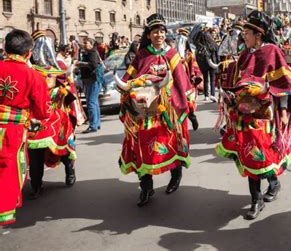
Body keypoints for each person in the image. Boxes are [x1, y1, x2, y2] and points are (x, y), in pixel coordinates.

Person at [216, 10, 291, 220]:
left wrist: (282, 111)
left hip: (265, 114)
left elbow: (284, 84)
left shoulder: (272, 51)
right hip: (243, 115)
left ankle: (263, 192)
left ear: (258, 35)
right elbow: (237, 81)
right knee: (250, 153)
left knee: (259, 154)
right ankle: (262, 193)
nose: (243, 36)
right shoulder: (245, 54)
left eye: (247, 32)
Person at [115, 13, 194, 207]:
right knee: (142, 146)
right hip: (144, 112)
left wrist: (186, 106)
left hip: (168, 112)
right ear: (148, 35)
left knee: (171, 143)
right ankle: (146, 187)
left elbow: (182, 82)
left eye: (161, 31)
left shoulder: (172, 55)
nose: (159, 35)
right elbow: (129, 77)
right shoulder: (142, 55)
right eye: (155, 31)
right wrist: (127, 86)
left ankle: (175, 175)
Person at [0, 29, 51, 225]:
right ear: (29, 53)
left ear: (5, 48)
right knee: (7, 169)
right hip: (12, 131)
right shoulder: (34, 76)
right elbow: (43, 112)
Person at [28, 30, 79, 198]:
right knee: (34, 152)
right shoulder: (28, 69)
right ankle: (36, 185)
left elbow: (71, 90)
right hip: (35, 118)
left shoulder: (60, 67)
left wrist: (61, 92)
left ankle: (69, 170)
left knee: (60, 147)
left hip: (57, 116)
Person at [76, 38, 101, 133]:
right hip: (89, 80)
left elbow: (93, 65)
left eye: (86, 43)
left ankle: (93, 125)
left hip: (92, 80)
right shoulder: (88, 52)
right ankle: (96, 124)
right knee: (94, 103)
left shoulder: (92, 52)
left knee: (91, 103)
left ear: (91, 44)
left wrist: (80, 64)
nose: (84, 44)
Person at [195, 28, 219, 102]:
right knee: (212, 79)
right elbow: (217, 54)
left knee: (205, 79)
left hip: (203, 64)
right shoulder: (213, 43)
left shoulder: (199, 46)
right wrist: (218, 63)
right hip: (213, 63)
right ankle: (212, 95)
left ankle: (206, 96)